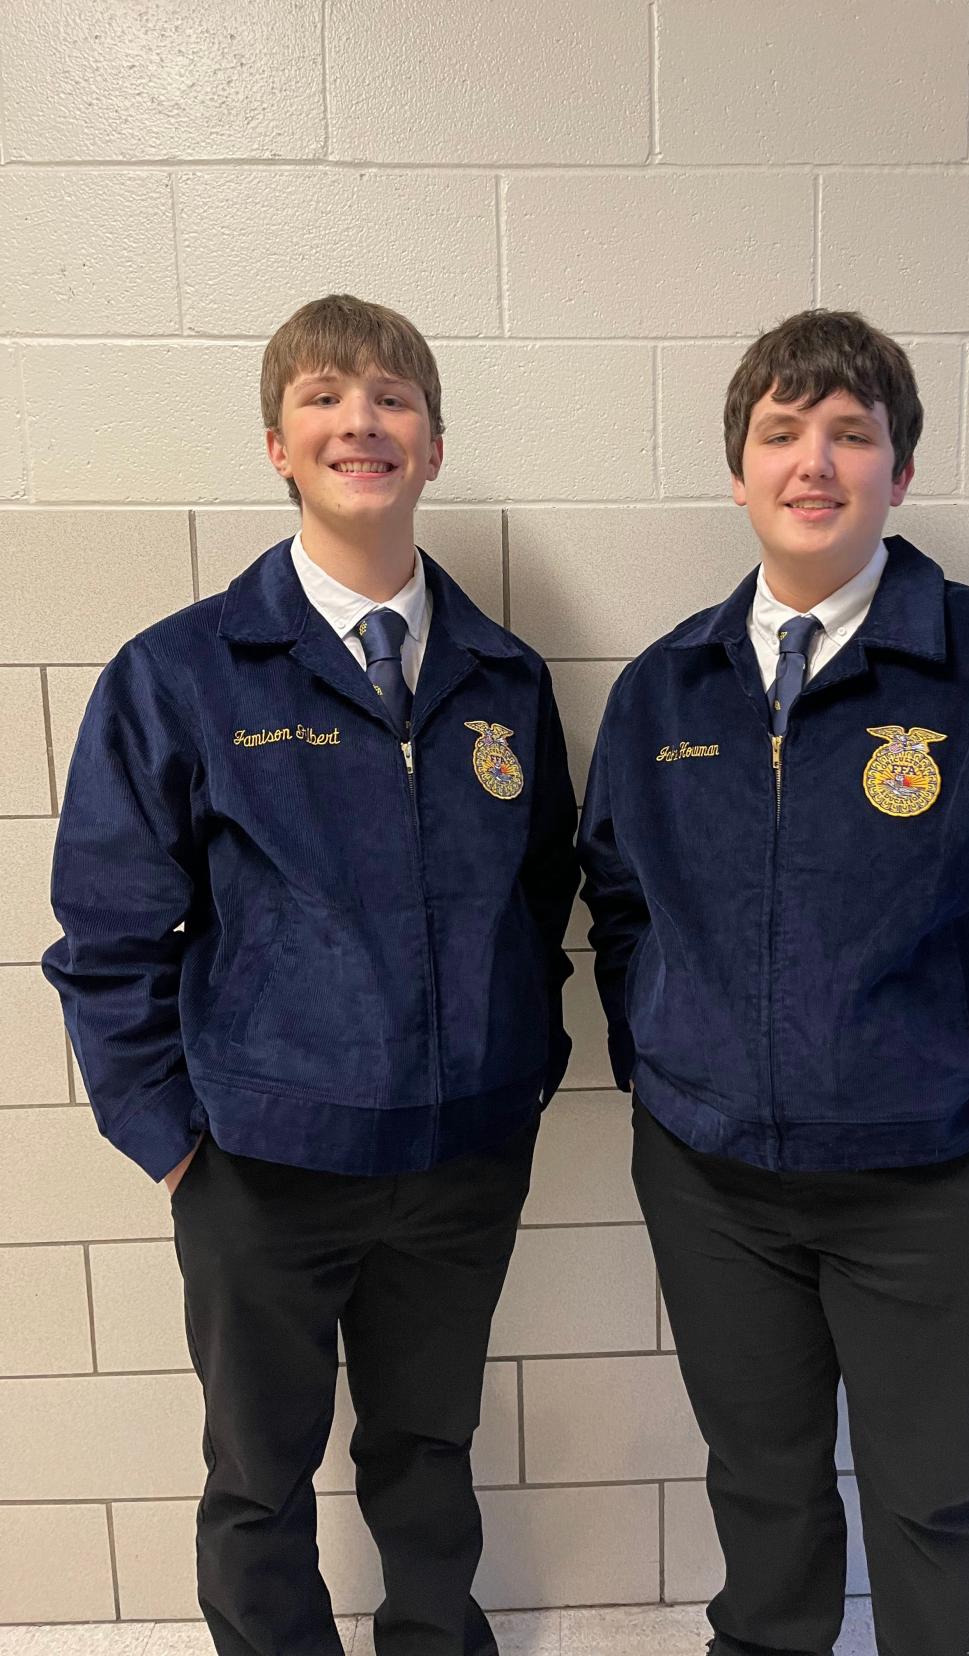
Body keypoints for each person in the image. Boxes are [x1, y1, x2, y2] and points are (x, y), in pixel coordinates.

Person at [577, 309, 969, 1656]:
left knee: (939, 1503)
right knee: (761, 1490)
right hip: (710, 1180)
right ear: (736, 470)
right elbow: (617, 899)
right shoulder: (666, 689)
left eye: (850, 434)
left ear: (898, 473)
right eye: (780, 433)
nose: (813, 462)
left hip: (935, 1185)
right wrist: (666, 1061)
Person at [43, 293, 578, 1656]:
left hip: (457, 1164)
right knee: (258, 1478)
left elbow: (543, 889)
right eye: (327, 397)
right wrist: (172, 1142)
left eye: (393, 397)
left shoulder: (502, 677)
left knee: (427, 1454)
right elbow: (105, 938)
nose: (362, 421)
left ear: (434, 444)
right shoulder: (183, 674)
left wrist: (518, 1074)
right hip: (258, 1166)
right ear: (278, 443)